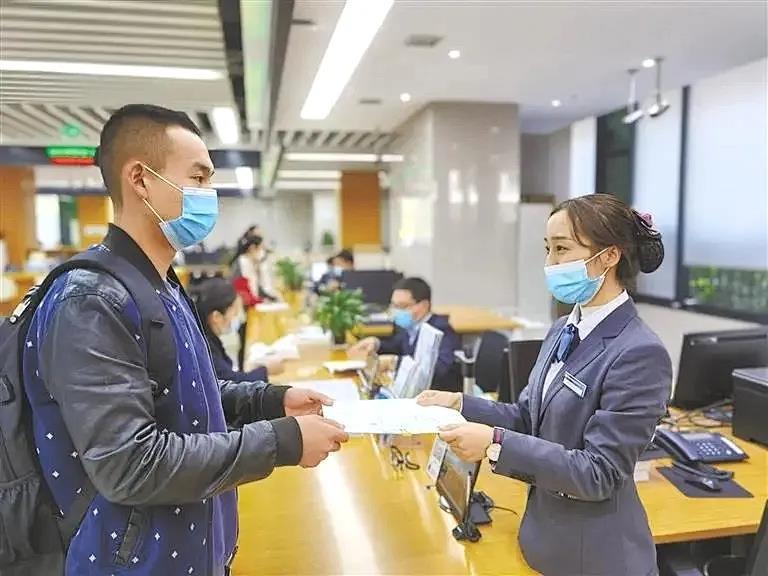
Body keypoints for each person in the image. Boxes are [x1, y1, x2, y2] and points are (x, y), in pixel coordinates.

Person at [22, 104, 348, 575]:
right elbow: (129, 463)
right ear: (140, 179)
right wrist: (282, 442)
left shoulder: (159, 283)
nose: (208, 194)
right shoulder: (91, 299)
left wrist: (270, 401)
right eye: (197, 177)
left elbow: (185, 394)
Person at [418, 193, 670, 576]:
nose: (550, 263)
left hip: (595, 558)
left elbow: (599, 473)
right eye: (547, 249)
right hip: (542, 537)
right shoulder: (563, 329)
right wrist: (460, 404)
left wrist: (495, 444)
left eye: (562, 249)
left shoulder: (639, 351)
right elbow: (527, 417)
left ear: (609, 256)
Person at [350, 277, 461, 392]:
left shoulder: (441, 330)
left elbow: (439, 370)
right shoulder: (410, 326)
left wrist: (394, 362)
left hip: (438, 394)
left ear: (424, 305)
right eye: (394, 305)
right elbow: (397, 347)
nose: (397, 311)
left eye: (402, 306)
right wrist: (376, 343)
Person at [192, 277, 285, 382]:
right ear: (216, 317)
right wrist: (265, 371)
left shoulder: (206, 335)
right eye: (235, 312)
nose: (236, 317)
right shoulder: (203, 347)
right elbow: (231, 382)